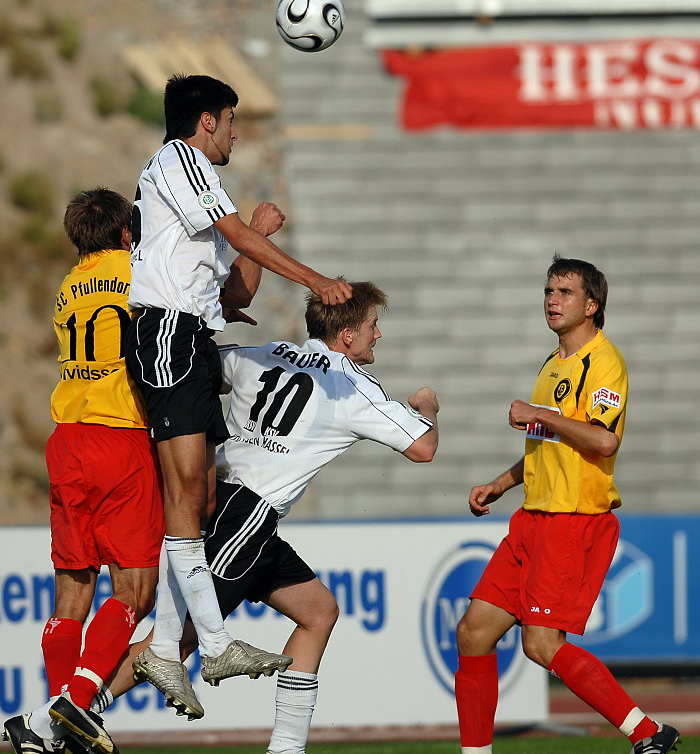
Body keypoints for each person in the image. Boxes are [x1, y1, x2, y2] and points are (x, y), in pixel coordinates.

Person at [104, 281, 439, 754]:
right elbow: (423, 448)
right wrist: (427, 407)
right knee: (178, 639)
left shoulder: (264, 353)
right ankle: (75, 712)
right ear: (346, 334)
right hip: (246, 515)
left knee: (318, 611)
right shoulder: (352, 388)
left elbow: (197, 368)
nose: (377, 335)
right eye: (371, 326)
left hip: (232, 504)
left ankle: (286, 748)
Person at [124, 74, 353, 710]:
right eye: (229, 120)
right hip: (167, 333)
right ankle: (215, 643)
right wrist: (313, 279)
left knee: (194, 496)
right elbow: (235, 237)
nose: (234, 132)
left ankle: (169, 650)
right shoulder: (180, 160)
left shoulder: (192, 190)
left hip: (188, 336)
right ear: (204, 122)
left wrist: (253, 229)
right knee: (186, 491)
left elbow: (236, 289)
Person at [453, 255, 680, 754]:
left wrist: (539, 414)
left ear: (592, 305)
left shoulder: (604, 362)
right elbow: (549, 444)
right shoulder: (551, 364)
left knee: (540, 644)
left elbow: (602, 442)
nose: (553, 300)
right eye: (549, 291)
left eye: (566, 293)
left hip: (572, 522)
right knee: (473, 633)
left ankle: (648, 734)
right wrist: (500, 483)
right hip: (532, 518)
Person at [3, 188, 165, 754]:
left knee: (72, 592)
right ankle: (69, 707)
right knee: (135, 592)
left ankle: (53, 731)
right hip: (119, 435)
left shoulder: (70, 288)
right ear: (126, 234)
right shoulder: (137, 266)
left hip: (67, 439)